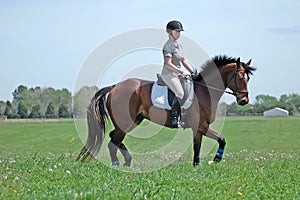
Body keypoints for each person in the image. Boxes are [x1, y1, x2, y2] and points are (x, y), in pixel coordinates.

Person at [161, 20, 195, 128]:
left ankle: (185, 117)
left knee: (189, 90)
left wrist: (192, 72)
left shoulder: (179, 45)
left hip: (179, 74)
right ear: (170, 32)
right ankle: (174, 119)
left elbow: (183, 60)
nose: (179, 34)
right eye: (177, 31)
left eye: (180, 32)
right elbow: (168, 63)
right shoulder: (167, 46)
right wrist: (181, 72)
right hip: (169, 74)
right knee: (180, 93)